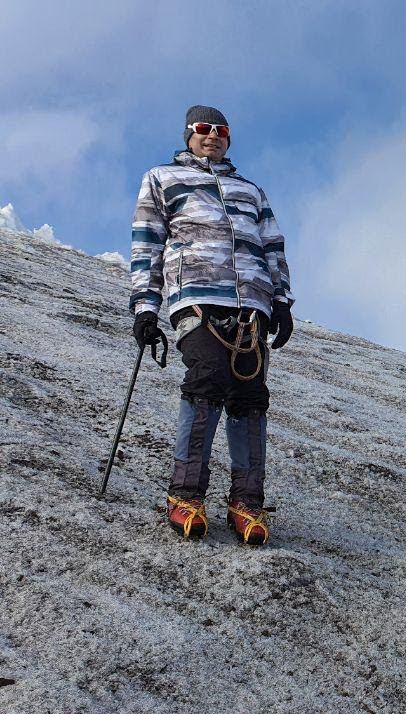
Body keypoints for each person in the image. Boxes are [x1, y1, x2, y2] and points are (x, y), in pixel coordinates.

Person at [129, 105, 294, 545]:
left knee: (250, 395)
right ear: (188, 134)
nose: (213, 136)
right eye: (204, 129)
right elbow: (147, 244)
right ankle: (185, 494)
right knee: (207, 378)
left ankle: (247, 502)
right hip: (196, 295)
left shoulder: (250, 190)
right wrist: (145, 308)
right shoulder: (162, 178)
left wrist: (281, 301)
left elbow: (272, 246)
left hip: (252, 304)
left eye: (221, 130)